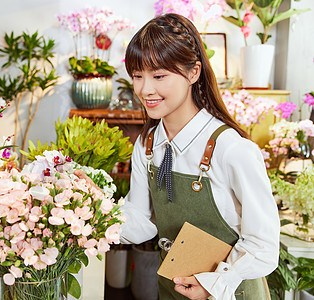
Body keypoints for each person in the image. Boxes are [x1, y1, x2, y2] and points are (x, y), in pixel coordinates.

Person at [119, 13, 279, 300]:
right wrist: (88, 210)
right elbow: (142, 224)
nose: (145, 89)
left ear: (193, 72)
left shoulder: (231, 149)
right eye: (137, 76)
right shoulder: (147, 143)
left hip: (231, 293)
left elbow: (264, 247)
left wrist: (214, 283)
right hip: (171, 290)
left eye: (159, 76)